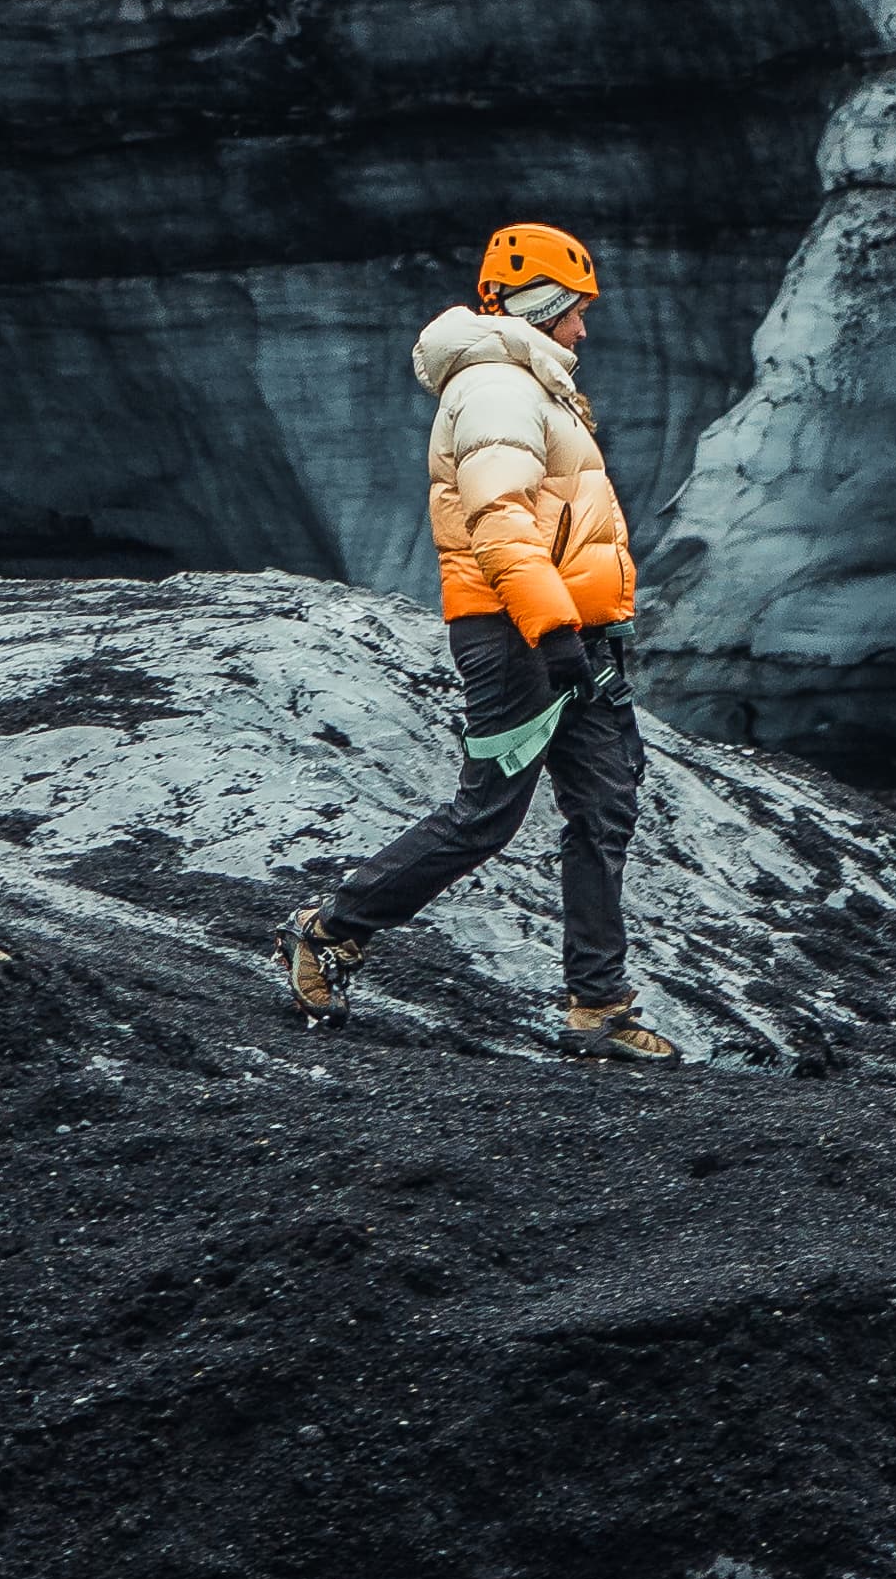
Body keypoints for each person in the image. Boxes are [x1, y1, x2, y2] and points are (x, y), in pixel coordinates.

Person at [278, 221, 679, 1063]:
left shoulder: (532, 385)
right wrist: (555, 632)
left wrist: (582, 633)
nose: (583, 329)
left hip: (570, 632)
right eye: (574, 312)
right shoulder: (498, 386)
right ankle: (329, 930)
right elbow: (498, 520)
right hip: (519, 635)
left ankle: (597, 1007)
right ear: (543, 306)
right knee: (486, 816)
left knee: (604, 810)